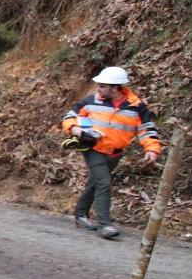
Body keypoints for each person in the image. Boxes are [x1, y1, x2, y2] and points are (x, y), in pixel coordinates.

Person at [61, 66, 161, 240]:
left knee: (95, 183)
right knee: (104, 183)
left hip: (115, 153)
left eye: (102, 86)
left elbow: (146, 130)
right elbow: (69, 116)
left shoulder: (136, 107)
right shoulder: (90, 101)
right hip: (92, 148)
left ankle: (80, 214)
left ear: (115, 88)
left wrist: (152, 149)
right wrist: (75, 128)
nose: (98, 89)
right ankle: (105, 224)